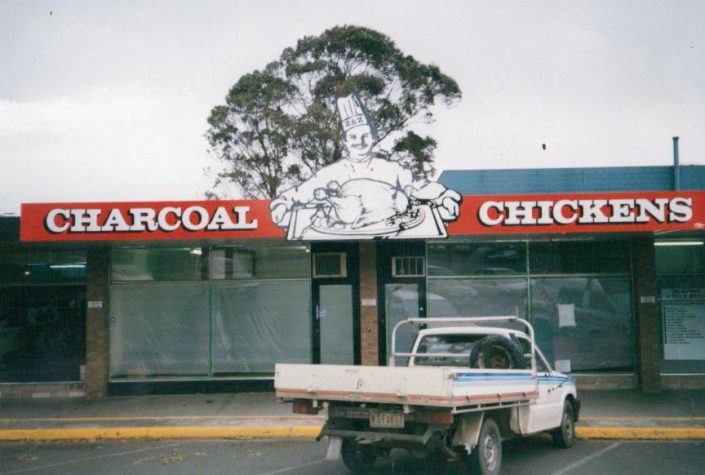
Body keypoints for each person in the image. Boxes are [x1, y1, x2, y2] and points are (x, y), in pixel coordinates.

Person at [270, 93, 460, 236]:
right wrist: (282, 204)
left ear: (373, 138)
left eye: (365, 136)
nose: (359, 142)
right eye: (353, 137)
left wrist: (445, 197)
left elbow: (420, 187)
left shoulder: (391, 168)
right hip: (342, 234)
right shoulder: (332, 172)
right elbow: (302, 192)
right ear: (345, 141)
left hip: (393, 232)